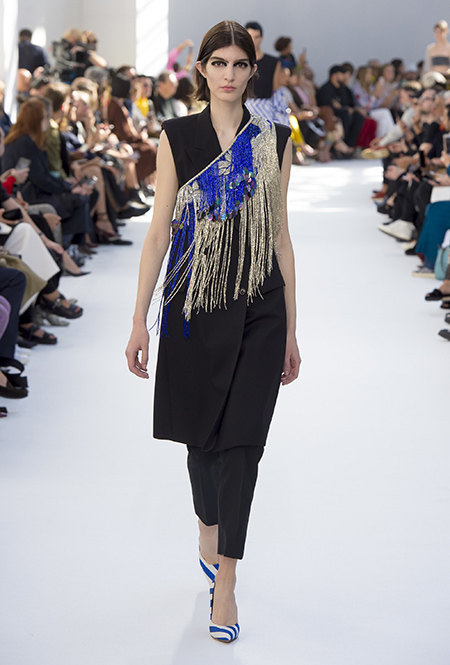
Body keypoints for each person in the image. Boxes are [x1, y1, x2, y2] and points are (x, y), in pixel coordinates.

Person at [125, 20, 301, 643]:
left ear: (253, 70)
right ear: (201, 68)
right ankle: (208, 526)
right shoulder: (177, 136)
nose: (228, 74)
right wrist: (139, 319)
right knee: (201, 439)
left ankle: (225, 578)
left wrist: (291, 329)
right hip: (193, 304)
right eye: (217, 62)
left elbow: (279, 234)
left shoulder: (274, 138)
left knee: (243, 445)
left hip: (259, 305)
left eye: (239, 63)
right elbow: (159, 231)